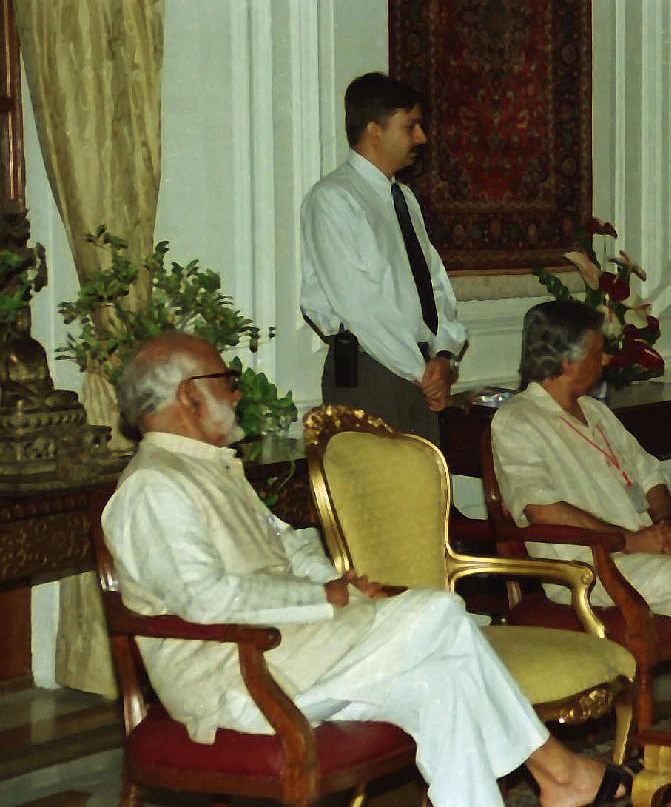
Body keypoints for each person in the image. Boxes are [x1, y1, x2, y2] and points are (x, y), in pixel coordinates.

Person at [103, 332, 628, 807]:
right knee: (440, 613)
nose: (236, 393)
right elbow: (205, 599)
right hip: (234, 677)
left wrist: (336, 584)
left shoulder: (210, 466)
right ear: (189, 395)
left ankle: (552, 782)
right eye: (226, 380)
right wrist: (319, 598)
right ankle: (559, 772)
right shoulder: (153, 486)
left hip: (288, 652)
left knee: (444, 683)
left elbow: (288, 544)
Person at [491, 301, 671, 716]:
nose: (606, 360)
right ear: (566, 362)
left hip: (644, 545)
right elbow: (542, 509)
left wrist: (664, 524)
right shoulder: (516, 420)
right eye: (597, 353)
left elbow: (649, 474)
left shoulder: (595, 410)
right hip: (589, 563)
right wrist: (631, 540)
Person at [301, 72, 465, 443]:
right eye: (410, 127)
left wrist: (443, 355)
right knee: (375, 479)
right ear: (375, 131)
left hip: (419, 371)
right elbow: (360, 305)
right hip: (371, 372)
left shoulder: (402, 198)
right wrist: (421, 372)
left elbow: (434, 283)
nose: (421, 137)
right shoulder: (334, 199)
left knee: (424, 478)